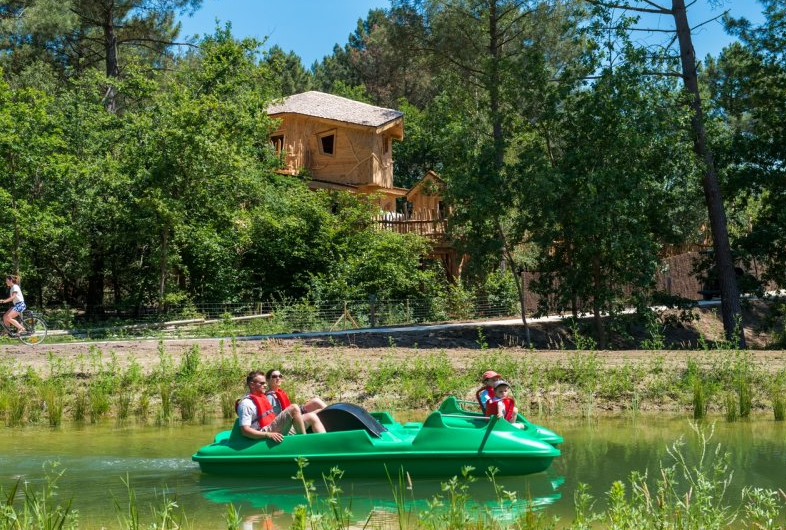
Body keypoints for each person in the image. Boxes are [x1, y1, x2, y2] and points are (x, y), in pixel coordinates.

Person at [236, 370, 325, 442]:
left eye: (265, 383)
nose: (265, 385)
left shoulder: (262, 398)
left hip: (273, 427)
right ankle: (304, 441)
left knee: (311, 416)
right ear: (252, 384)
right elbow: (245, 431)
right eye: (262, 383)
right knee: (294, 407)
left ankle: (326, 442)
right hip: (264, 431)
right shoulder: (246, 404)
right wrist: (268, 434)